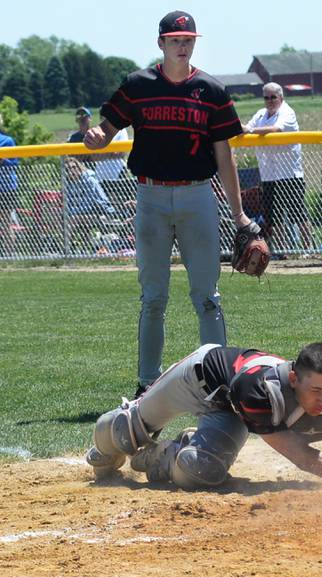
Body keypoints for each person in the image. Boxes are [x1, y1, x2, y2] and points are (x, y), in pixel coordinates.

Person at [83, 10, 252, 397]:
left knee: (207, 296)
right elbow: (107, 130)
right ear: (161, 43)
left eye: (188, 38)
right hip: (151, 196)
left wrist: (239, 214)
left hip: (197, 194)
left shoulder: (211, 90)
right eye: (175, 39)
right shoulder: (138, 85)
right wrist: (97, 136)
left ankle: (219, 381)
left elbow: (224, 156)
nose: (183, 44)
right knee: (154, 296)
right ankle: (147, 384)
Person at [86, 342, 322, 490]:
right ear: (292, 378)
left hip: (231, 412)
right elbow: (302, 457)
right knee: (120, 435)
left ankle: (164, 453)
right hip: (199, 380)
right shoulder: (260, 391)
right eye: (315, 391)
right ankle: (108, 450)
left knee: (199, 472)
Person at [244, 82, 313, 256]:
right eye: (266, 97)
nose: (269, 100)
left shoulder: (287, 112)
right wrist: (245, 128)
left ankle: (309, 249)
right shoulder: (260, 114)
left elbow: (275, 129)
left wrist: (250, 130)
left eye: (273, 97)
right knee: (273, 216)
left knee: (298, 213)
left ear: (281, 97)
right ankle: (283, 251)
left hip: (289, 173)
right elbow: (247, 128)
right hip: (268, 174)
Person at [0, 116, 20, 256]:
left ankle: (8, 255)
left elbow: (15, 163)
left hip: (6, 188)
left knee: (6, 222)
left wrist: (3, 159)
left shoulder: (7, 140)